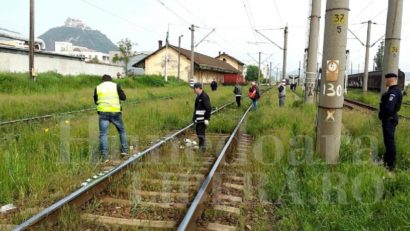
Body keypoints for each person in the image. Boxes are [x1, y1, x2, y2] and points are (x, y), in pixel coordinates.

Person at [94, 74, 128, 161]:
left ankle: (105, 157)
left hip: (103, 113)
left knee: (103, 134)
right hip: (115, 112)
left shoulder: (98, 87)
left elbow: (96, 101)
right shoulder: (116, 86)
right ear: (111, 80)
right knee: (122, 131)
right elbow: (124, 98)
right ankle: (124, 151)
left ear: (102, 80)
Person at [379, 73, 403, 171]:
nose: (385, 81)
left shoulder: (394, 92)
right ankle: (387, 160)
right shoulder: (392, 91)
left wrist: (383, 114)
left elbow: (389, 109)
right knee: (388, 141)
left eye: (386, 79)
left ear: (391, 80)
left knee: (389, 142)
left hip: (389, 120)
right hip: (389, 120)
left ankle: (390, 165)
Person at [193, 83, 212, 150]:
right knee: (199, 132)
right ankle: (201, 146)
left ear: (199, 88)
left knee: (200, 133)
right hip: (198, 119)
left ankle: (202, 147)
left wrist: (207, 118)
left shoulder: (204, 96)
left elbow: (208, 108)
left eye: (195, 88)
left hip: (202, 119)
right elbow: (196, 109)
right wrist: (194, 118)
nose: (194, 90)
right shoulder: (198, 97)